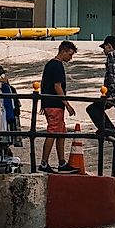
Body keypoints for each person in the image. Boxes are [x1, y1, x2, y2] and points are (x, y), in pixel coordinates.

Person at [38, 41, 79, 173]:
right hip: (54, 103)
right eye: (70, 54)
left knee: (61, 132)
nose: (70, 58)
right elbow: (57, 86)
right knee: (53, 131)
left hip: (50, 103)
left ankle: (62, 162)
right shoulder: (57, 66)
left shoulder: (51, 65)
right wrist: (66, 103)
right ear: (64, 51)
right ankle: (44, 163)